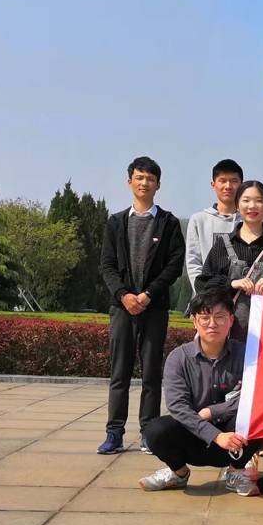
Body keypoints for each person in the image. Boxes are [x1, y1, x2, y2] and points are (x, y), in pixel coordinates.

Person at [139, 286, 263, 496]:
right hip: (193, 436)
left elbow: (258, 395)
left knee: (258, 416)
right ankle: (178, 473)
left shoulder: (247, 355)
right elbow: (178, 407)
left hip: (235, 440)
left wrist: (213, 412)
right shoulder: (179, 358)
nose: (212, 324)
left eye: (220, 317)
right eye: (205, 317)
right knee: (155, 430)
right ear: (194, 321)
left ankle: (236, 471)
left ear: (231, 320)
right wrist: (215, 436)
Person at [97, 157, 186, 456]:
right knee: (119, 372)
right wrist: (124, 295)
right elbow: (107, 265)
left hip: (154, 308)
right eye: (139, 177)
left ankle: (149, 433)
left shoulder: (169, 223)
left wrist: (148, 294)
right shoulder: (116, 222)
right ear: (129, 182)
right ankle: (114, 433)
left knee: (151, 374)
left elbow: (174, 266)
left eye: (150, 178)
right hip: (122, 308)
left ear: (158, 184)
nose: (144, 183)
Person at [195, 181, 263, 340]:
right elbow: (202, 284)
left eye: (259, 201)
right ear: (237, 205)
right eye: (246, 200)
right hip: (227, 335)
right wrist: (231, 283)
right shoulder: (223, 244)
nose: (252, 206)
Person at [184, 159, 243, 290]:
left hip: (239, 296)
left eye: (234, 181)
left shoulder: (247, 222)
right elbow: (193, 262)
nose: (228, 186)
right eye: (222, 181)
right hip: (206, 296)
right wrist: (203, 291)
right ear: (213, 185)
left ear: (241, 185)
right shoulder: (199, 220)